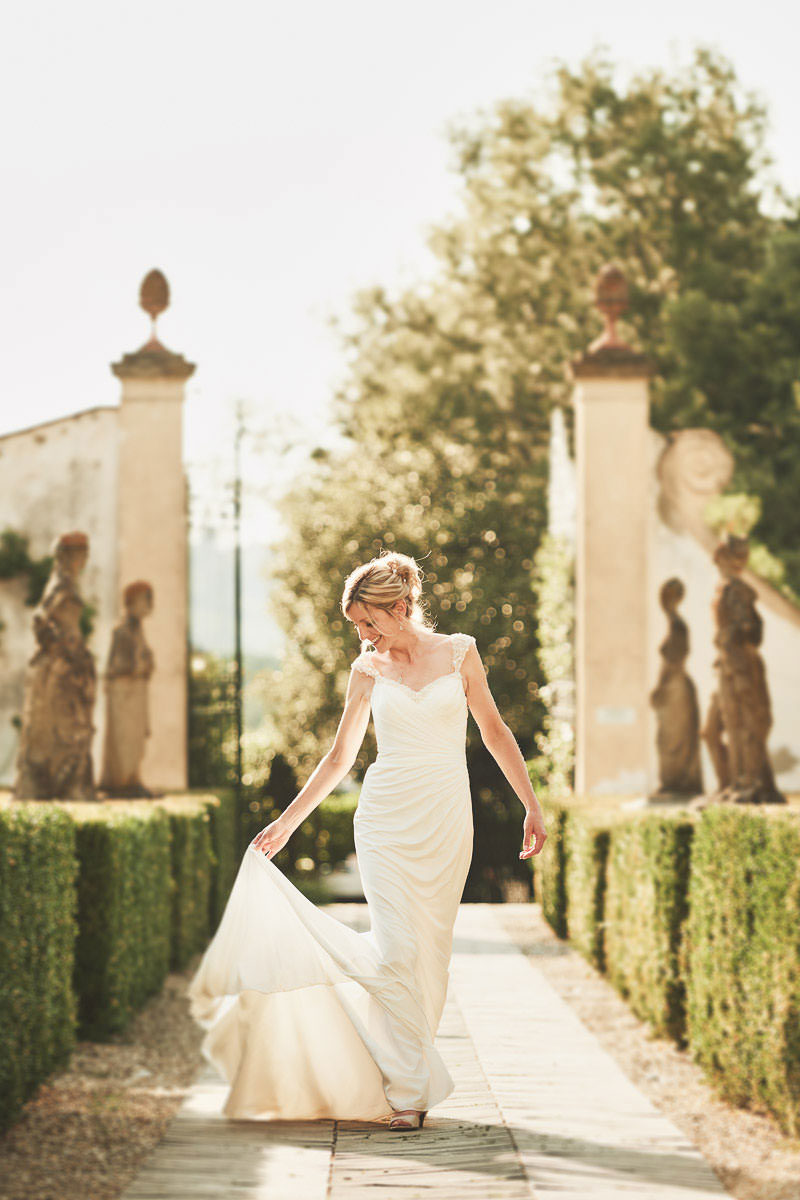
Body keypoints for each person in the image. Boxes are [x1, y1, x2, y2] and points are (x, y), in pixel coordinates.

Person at [187, 551, 547, 1131]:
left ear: (400, 607)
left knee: (428, 955)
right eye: (357, 625)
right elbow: (339, 758)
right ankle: (408, 1091)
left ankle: (399, 1071)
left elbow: (494, 731)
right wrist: (286, 823)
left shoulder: (460, 652)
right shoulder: (367, 671)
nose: (363, 636)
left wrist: (531, 803)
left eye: (368, 623)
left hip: (445, 818)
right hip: (384, 818)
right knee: (396, 949)